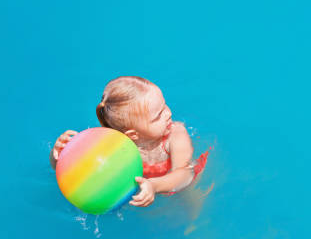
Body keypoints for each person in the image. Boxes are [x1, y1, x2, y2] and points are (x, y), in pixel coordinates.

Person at [49, 76, 207, 207]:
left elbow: (185, 173)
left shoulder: (175, 134)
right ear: (133, 135)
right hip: (141, 189)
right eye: (158, 115)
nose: (169, 113)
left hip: (181, 185)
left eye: (164, 106)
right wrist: (59, 156)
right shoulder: (110, 144)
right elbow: (76, 174)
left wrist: (154, 186)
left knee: (193, 203)